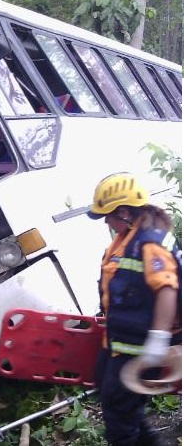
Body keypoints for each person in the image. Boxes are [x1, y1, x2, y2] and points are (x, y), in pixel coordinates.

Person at [87, 172, 181, 446]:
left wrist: (159, 339)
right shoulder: (130, 238)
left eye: (109, 215)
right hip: (122, 341)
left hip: (140, 346)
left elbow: (166, 289)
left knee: (119, 417)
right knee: (112, 396)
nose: (106, 221)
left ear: (125, 212)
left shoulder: (149, 243)